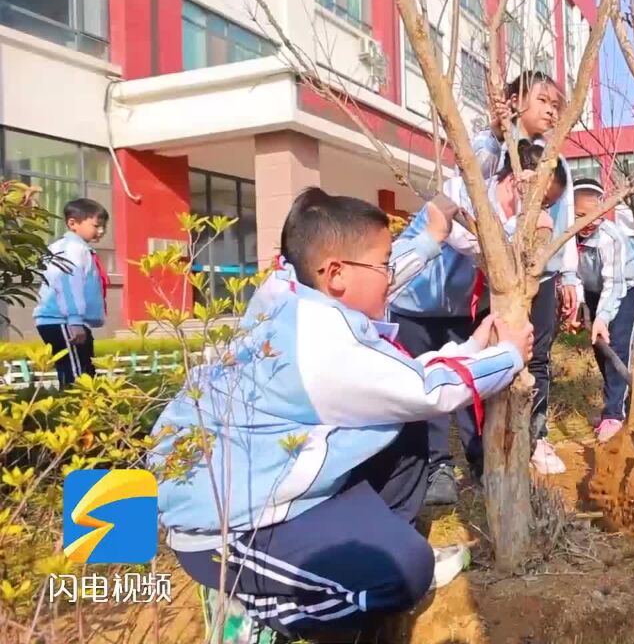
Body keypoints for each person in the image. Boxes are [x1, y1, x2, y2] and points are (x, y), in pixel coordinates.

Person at [151, 188, 534, 641]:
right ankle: (260, 607)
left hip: (277, 485)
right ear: (334, 273)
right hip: (226, 528)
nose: (391, 277)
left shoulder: (295, 295)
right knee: (404, 574)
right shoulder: (318, 341)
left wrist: (472, 348)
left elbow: (399, 379)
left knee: (404, 432)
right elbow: (427, 390)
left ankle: (364, 556)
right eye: (384, 265)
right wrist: (509, 355)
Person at [389, 143, 557, 500]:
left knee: (472, 384)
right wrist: (520, 227)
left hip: (458, 311)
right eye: (537, 196)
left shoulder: (516, 215)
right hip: (413, 305)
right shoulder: (464, 193)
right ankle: (437, 469)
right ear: (514, 180)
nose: (538, 207)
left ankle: (482, 461)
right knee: (428, 388)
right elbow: (477, 243)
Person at [473, 70, 579, 475]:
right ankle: (497, 441)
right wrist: (498, 132)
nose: (552, 112)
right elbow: (475, 172)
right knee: (499, 352)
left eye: (557, 105)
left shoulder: (556, 159)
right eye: (543, 102)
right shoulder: (495, 148)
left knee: (538, 357)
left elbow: (563, 218)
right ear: (515, 101)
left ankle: (537, 435)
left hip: (543, 275)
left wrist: (567, 276)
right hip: (499, 276)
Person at [570, 178, 634, 443]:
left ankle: (614, 412)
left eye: (595, 215)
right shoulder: (565, 233)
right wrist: (576, 307)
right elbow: (569, 274)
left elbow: (614, 285)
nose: (588, 221)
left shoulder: (610, 238)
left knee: (617, 344)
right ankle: (613, 399)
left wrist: (602, 317)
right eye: (581, 215)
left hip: (623, 286)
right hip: (592, 287)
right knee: (599, 346)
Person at [34, 198, 110, 389]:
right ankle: (75, 414)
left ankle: (89, 414)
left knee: (85, 372)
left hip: (69, 321)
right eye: (96, 225)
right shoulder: (71, 249)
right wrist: (74, 320)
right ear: (73, 223)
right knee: (76, 377)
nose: (101, 231)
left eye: (104, 227)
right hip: (62, 321)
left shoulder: (79, 248)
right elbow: (68, 284)